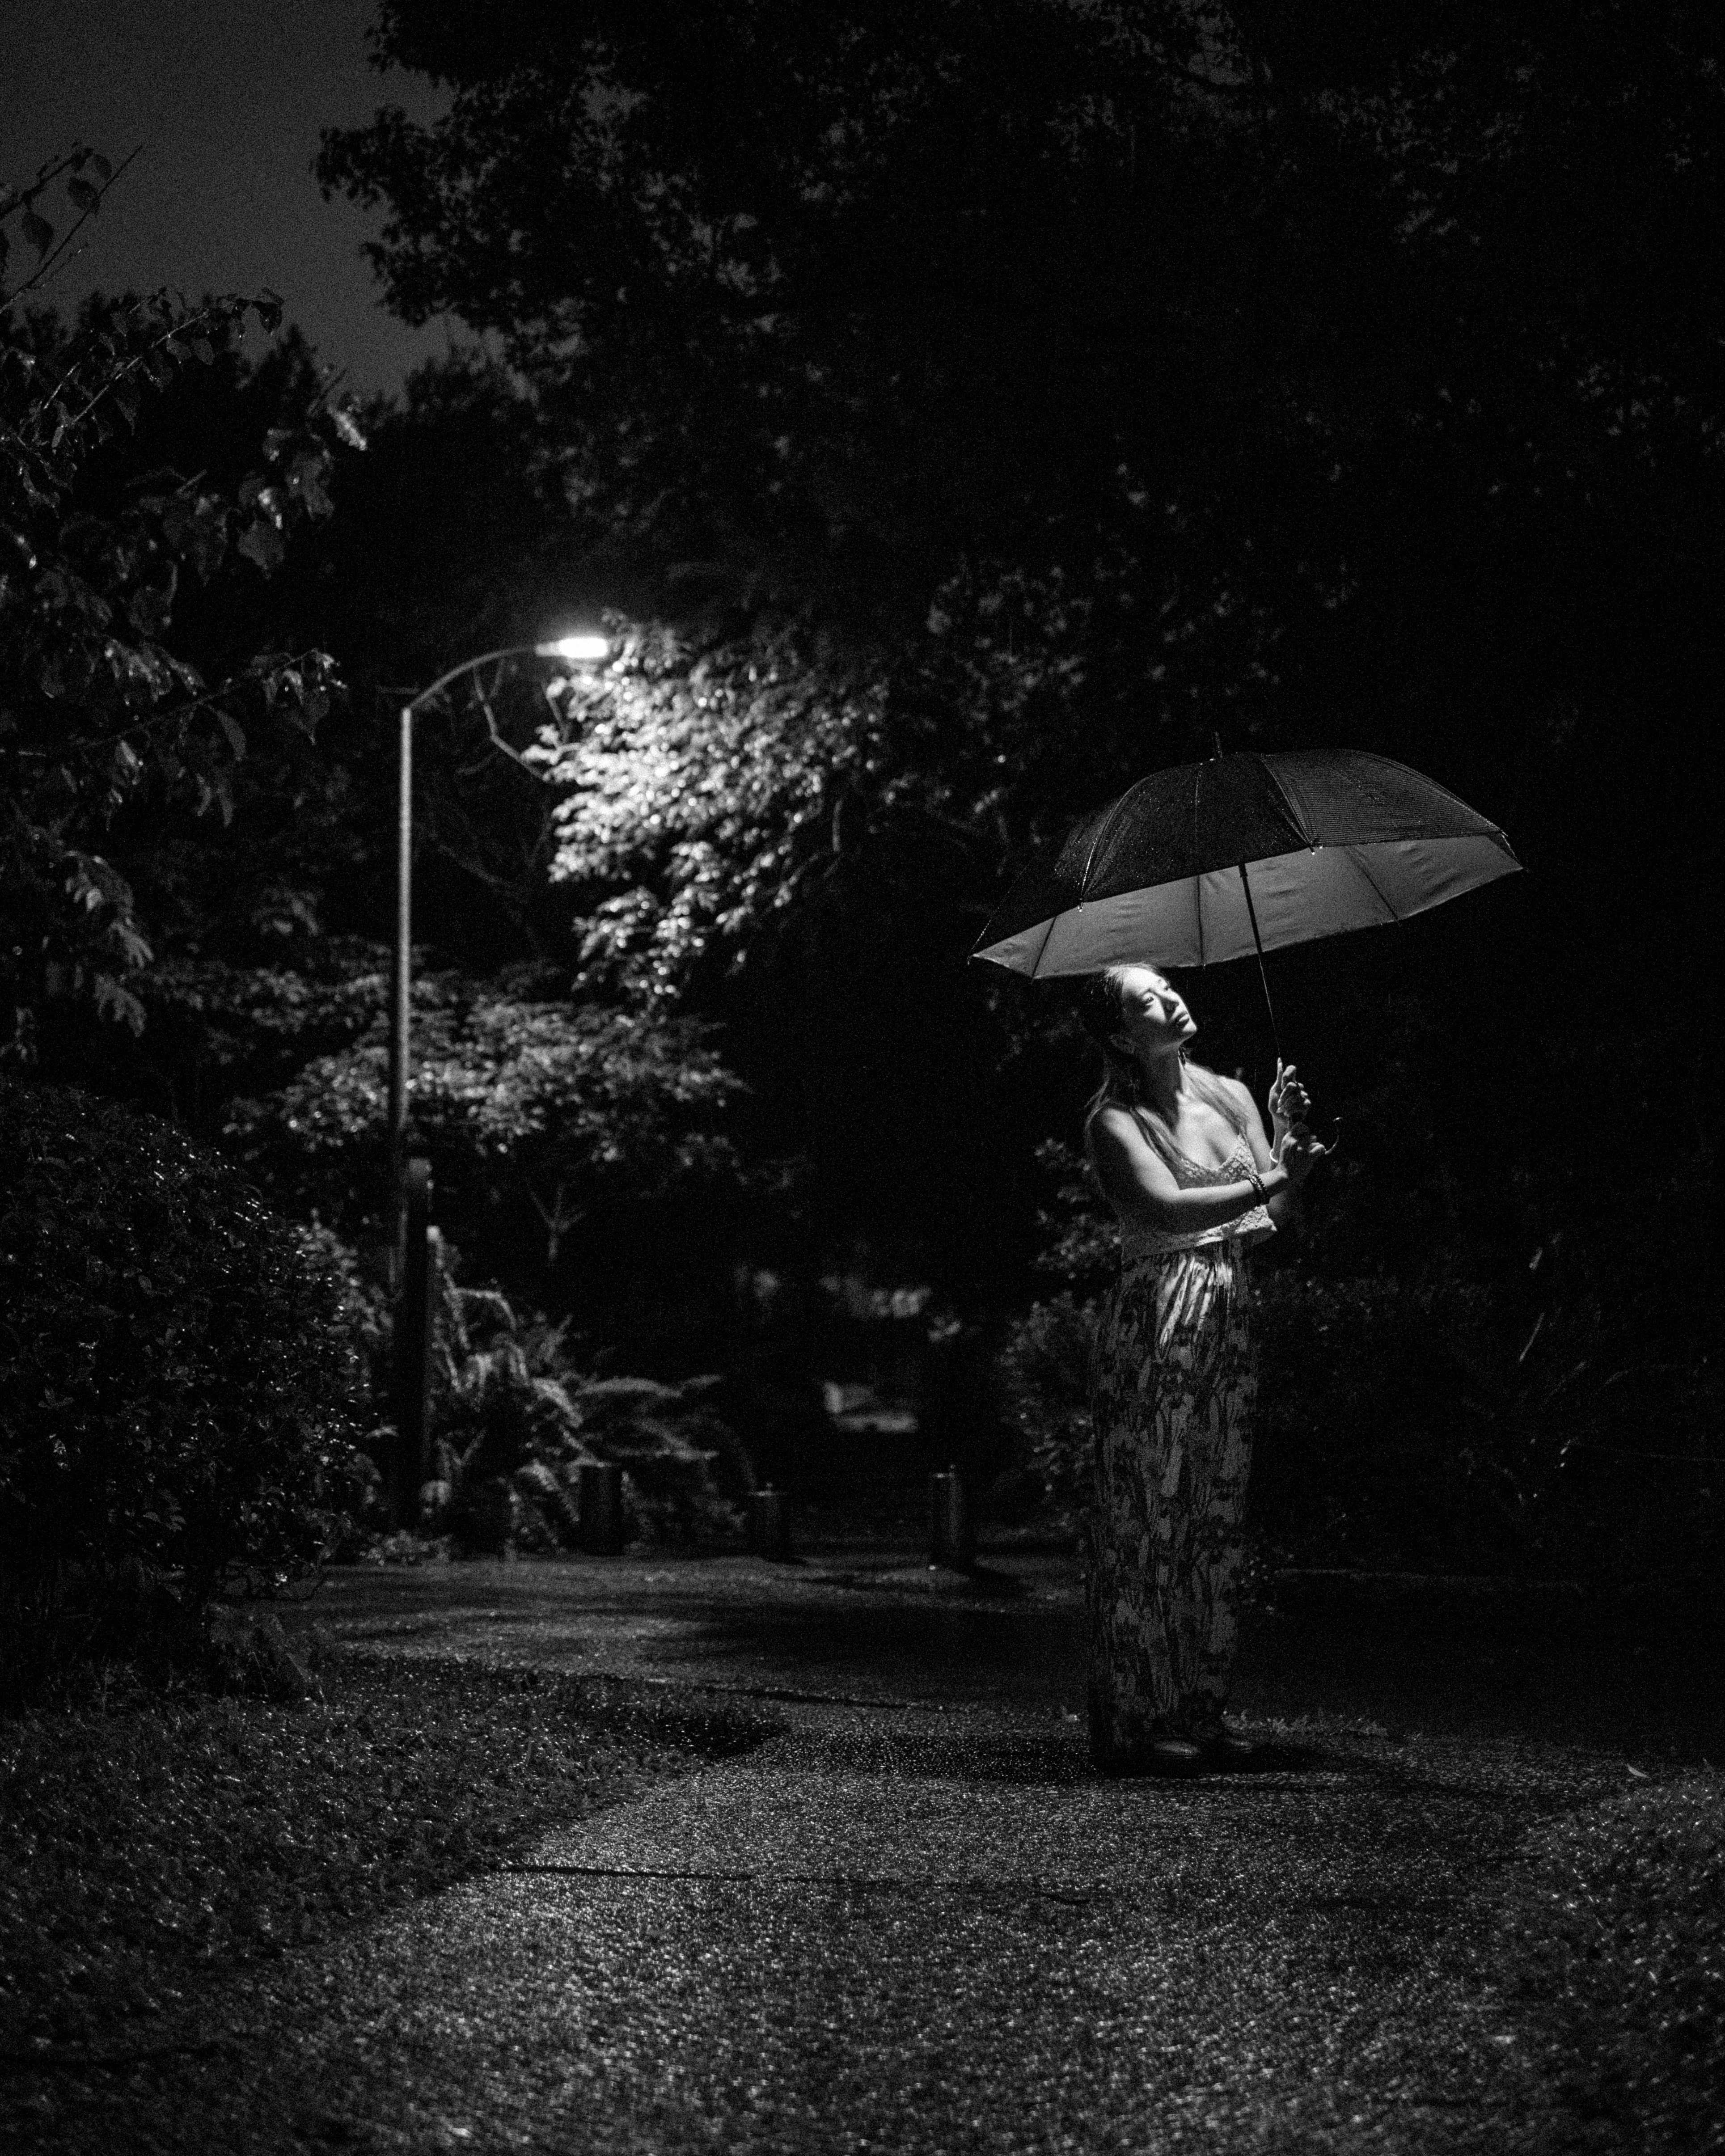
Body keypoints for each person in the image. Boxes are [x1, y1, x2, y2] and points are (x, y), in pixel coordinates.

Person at [1078, 961, 1331, 1775]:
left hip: (1226, 1309)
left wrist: (1292, 1148)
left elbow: (1272, 1216)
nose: (1170, 999)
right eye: (1146, 1000)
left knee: (1211, 1514)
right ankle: (1138, 1719)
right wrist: (1273, 1172)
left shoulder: (1230, 1095)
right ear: (1121, 1034)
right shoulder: (1113, 1122)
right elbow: (1167, 1208)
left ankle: (1200, 1709)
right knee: (1150, 1512)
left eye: (1167, 986)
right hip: (1155, 1317)